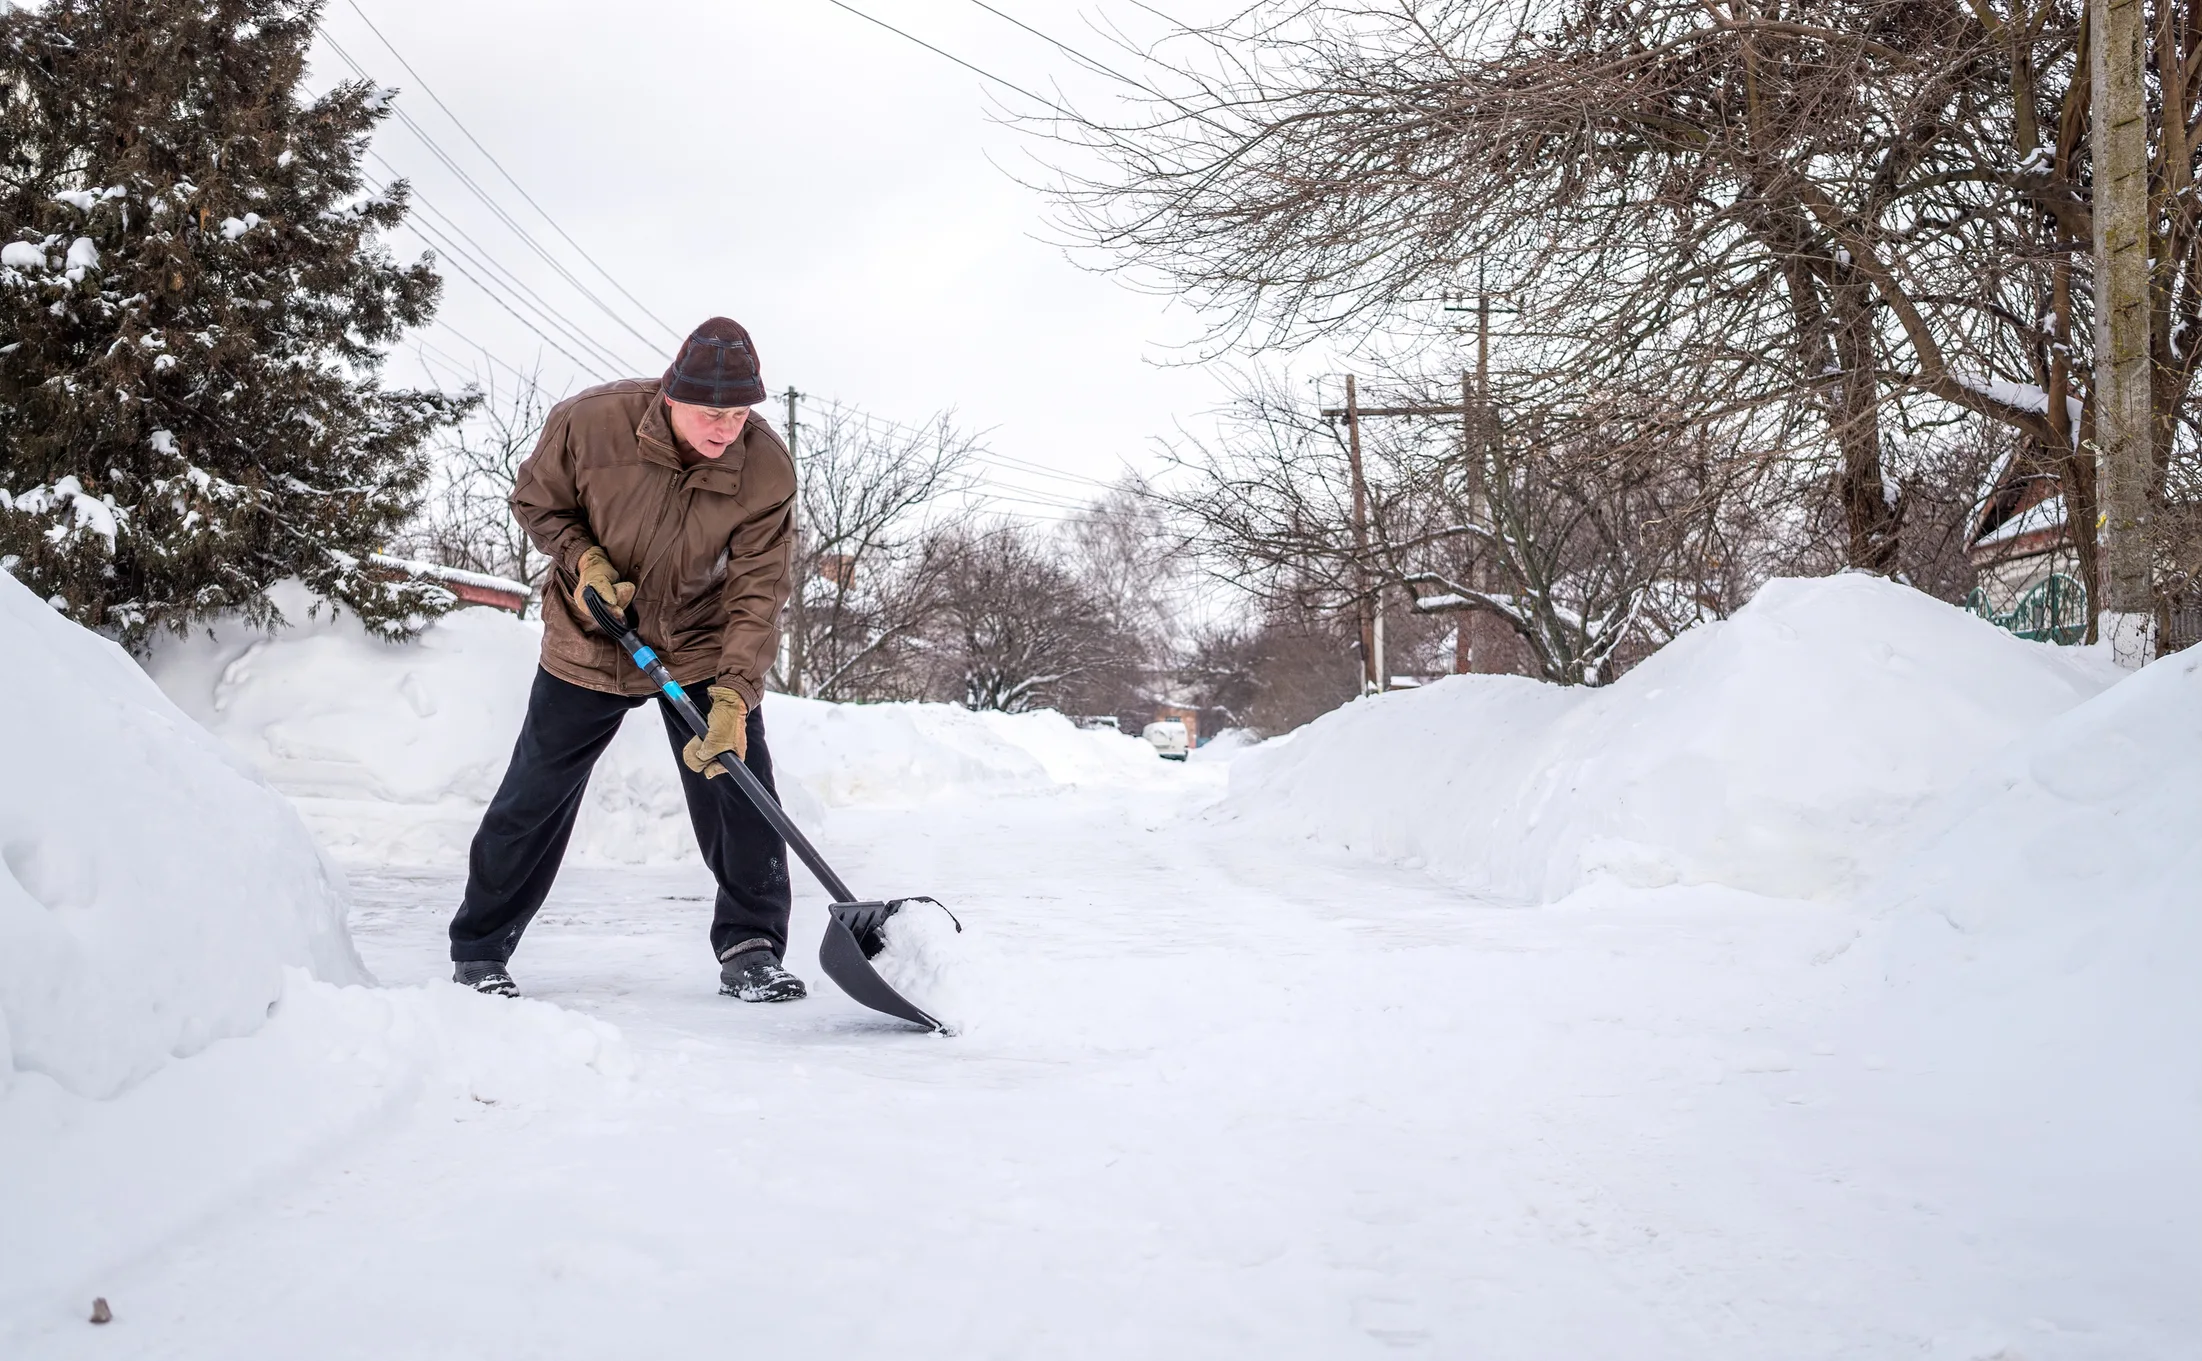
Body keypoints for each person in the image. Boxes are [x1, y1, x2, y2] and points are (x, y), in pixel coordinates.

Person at [445, 317, 805, 1003]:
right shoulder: (591, 423)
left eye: (737, 413)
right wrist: (585, 562)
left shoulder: (765, 468)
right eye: (710, 412)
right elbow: (536, 502)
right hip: (593, 632)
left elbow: (759, 592)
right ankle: (480, 948)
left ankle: (752, 945)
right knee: (536, 792)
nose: (725, 427)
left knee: (740, 785)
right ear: (672, 393)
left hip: (698, 642)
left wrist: (733, 695)